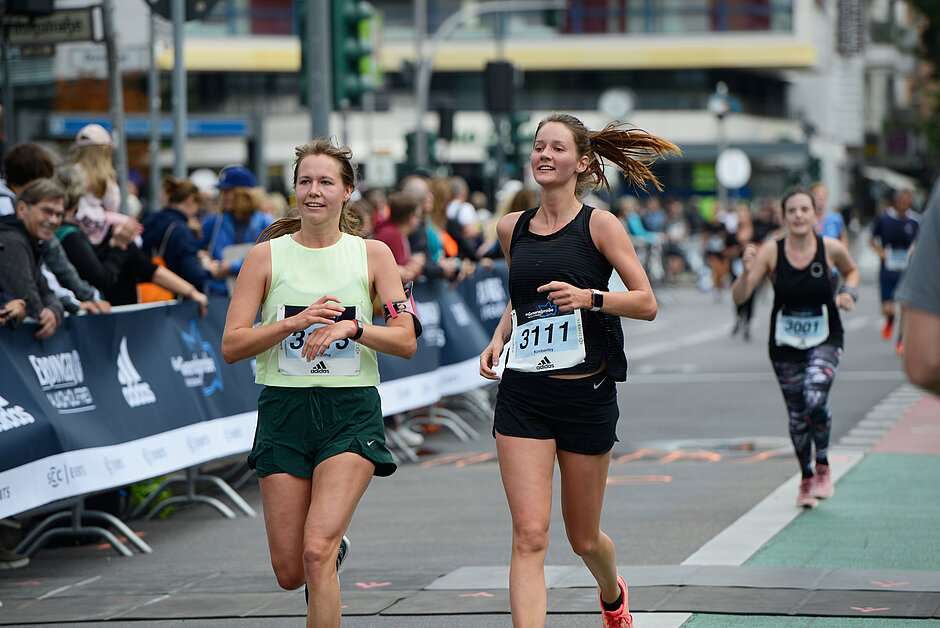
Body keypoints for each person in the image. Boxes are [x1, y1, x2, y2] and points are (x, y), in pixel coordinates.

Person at [479, 113, 679, 628]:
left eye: (557, 148)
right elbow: (522, 302)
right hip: (523, 396)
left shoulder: (600, 225)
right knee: (529, 535)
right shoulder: (512, 228)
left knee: (583, 537)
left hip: (585, 394)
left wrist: (589, 298)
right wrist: (499, 338)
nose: (545, 155)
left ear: (582, 162)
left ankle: (612, 594)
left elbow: (647, 302)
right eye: (538, 147)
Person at [220, 138, 417, 628]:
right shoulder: (265, 258)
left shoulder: (373, 255)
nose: (314, 191)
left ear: (347, 192)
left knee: (314, 552)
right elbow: (232, 345)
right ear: (294, 190)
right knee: (290, 572)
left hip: (349, 413)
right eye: (305, 181)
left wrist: (353, 327)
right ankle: (331, 552)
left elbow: (406, 338)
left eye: (326, 182)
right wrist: (293, 323)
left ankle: (327, 550)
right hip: (284, 413)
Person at [731, 189, 860, 508]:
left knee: (815, 398)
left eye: (805, 209)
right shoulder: (771, 252)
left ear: (815, 215)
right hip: (785, 343)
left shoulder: (829, 248)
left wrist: (848, 294)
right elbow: (740, 297)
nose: (799, 215)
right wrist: (747, 271)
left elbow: (852, 271)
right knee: (797, 415)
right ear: (783, 216)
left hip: (826, 337)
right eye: (793, 210)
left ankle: (824, 465)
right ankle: (806, 476)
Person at [0, 178, 66, 340]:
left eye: (59, 214)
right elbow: (30, 301)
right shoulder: (12, 241)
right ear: (22, 209)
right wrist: (47, 311)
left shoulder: (30, 241)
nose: (54, 220)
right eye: (47, 211)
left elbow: (47, 293)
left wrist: (54, 312)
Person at [198, 165, 274, 296]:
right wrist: (201, 256)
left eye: (228, 191)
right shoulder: (214, 221)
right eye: (222, 192)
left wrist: (231, 266)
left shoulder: (265, 222)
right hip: (219, 292)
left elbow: (268, 258)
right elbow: (193, 247)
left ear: (244, 193)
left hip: (254, 292)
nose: (224, 196)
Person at [897, 176, 940, 395]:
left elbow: (923, 365)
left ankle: (903, 337)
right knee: (903, 303)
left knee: (913, 303)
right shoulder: (887, 220)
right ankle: (900, 336)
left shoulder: (917, 220)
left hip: (921, 268)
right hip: (902, 268)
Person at [142, 175, 219, 290]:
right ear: (191, 200)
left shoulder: (150, 220)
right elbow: (193, 275)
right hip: (173, 297)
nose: (197, 212)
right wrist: (209, 271)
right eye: (198, 206)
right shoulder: (181, 229)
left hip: (146, 293)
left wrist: (193, 255)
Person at [869, 188, 920, 354]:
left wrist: (914, 252)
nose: (904, 205)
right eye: (902, 202)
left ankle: (900, 340)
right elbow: (871, 239)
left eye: (907, 202)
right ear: (896, 201)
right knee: (888, 309)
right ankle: (890, 318)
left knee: (904, 304)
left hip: (906, 271)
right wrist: (881, 253)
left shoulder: (915, 221)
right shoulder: (884, 219)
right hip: (888, 270)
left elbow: (921, 242)